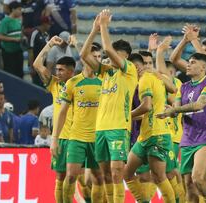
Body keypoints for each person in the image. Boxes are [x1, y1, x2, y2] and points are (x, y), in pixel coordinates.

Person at [80, 10, 138, 202]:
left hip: (118, 128)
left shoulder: (128, 71)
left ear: (125, 58)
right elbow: (83, 54)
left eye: (117, 56)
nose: (112, 59)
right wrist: (95, 29)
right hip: (101, 129)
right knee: (103, 175)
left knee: (116, 172)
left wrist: (104, 25)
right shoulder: (105, 73)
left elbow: (108, 50)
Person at [158, 53, 206, 202]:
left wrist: (174, 110)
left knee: (198, 178)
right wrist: (169, 112)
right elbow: (176, 109)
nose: (188, 65)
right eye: (189, 62)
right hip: (187, 138)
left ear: (203, 67)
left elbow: (199, 105)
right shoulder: (183, 87)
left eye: (192, 62)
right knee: (189, 187)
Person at [52, 49, 104, 203]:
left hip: (97, 138)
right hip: (76, 137)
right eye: (93, 57)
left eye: (99, 57)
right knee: (71, 175)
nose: (96, 60)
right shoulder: (72, 83)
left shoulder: (104, 83)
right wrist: (54, 139)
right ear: (84, 60)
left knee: (99, 177)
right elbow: (62, 113)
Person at [124, 53, 176, 203]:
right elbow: (173, 88)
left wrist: (126, 116)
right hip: (145, 135)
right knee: (127, 173)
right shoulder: (155, 77)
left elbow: (146, 106)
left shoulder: (145, 79)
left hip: (157, 134)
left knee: (160, 176)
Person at [33, 36, 75, 203]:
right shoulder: (55, 84)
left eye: (61, 70)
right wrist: (49, 45)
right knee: (60, 176)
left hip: (77, 138)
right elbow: (37, 65)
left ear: (71, 71)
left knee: (75, 177)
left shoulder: (79, 84)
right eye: (57, 69)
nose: (57, 73)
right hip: (60, 138)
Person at [0, 1, 23, 78]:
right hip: (8, 53)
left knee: (20, 73)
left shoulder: (18, 20)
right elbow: (0, 36)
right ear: (13, 9)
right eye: (19, 9)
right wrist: (14, 40)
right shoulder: (5, 21)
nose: (20, 11)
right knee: (11, 73)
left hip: (18, 51)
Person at [29, 16, 52, 87]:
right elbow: (30, 50)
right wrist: (31, 66)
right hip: (36, 63)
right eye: (49, 24)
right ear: (44, 24)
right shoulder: (35, 33)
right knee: (36, 84)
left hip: (44, 65)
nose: (50, 26)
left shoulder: (47, 34)